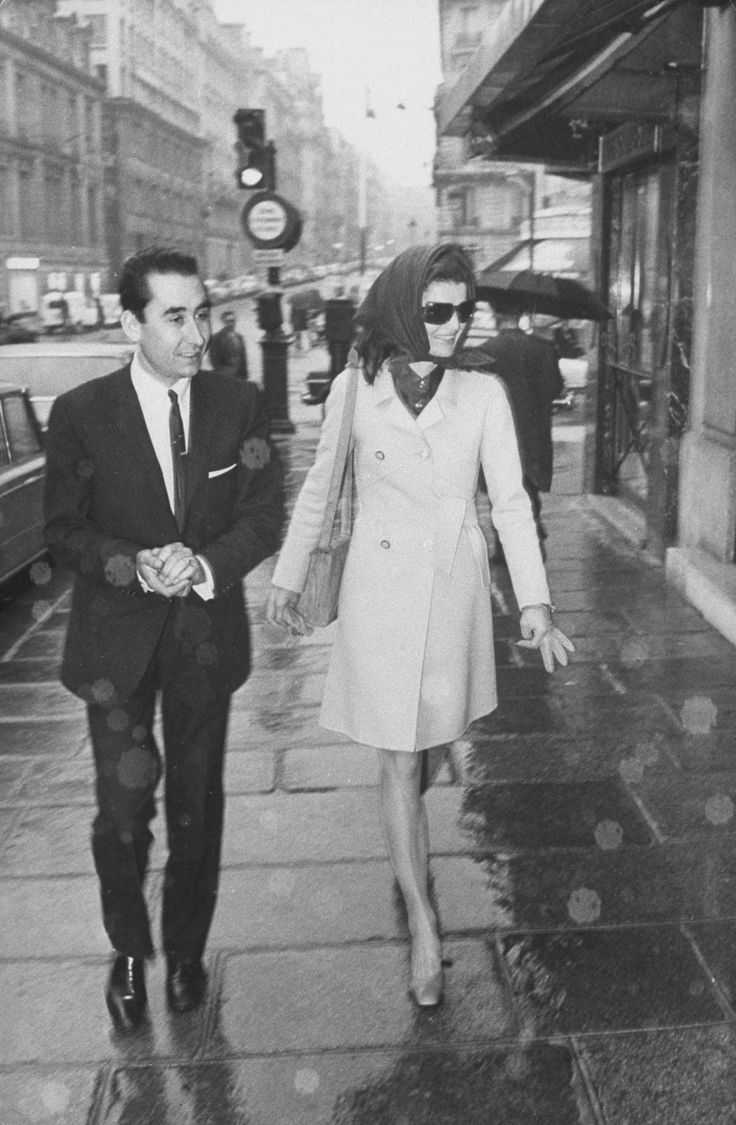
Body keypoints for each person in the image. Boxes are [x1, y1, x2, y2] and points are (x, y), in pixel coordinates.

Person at [266, 244, 573, 1009]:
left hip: (451, 586)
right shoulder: (354, 389)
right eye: (437, 309)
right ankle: (425, 925)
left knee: (434, 739)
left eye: (464, 310)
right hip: (378, 586)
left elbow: (510, 502)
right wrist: (287, 575)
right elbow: (320, 487)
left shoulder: (482, 391)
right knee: (400, 757)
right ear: (406, 307)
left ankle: (402, 833)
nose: (453, 323)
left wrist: (535, 603)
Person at [44, 246, 283, 1032]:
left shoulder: (239, 405)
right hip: (114, 649)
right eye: (175, 316)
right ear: (130, 323)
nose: (196, 334)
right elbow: (64, 530)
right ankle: (126, 949)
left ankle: (185, 952)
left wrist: (205, 565)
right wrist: (134, 562)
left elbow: (263, 516)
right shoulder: (81, 415)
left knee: (195, 807)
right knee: (121, 813)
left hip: (204, 643)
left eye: (201, 313)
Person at [478, 305, 565, 559]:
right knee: (529, 484)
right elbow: (556, 388)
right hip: (534, 431)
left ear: (496, 317)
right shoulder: (543, 349)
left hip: (498, 432)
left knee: (499, 490)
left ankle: (504, 547)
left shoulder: (485, 351)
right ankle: (532, 531)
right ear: (522, 317)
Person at [209, 308, 249, 379]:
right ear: (223, 322)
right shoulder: (216, 338)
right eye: (228, 321)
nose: (231, 324)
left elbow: (243, 359)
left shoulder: (239, 337)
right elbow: (214, 360)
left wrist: (245, 377)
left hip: (239, 376)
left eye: (233, 321)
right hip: (225, 376)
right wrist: (223, 374)